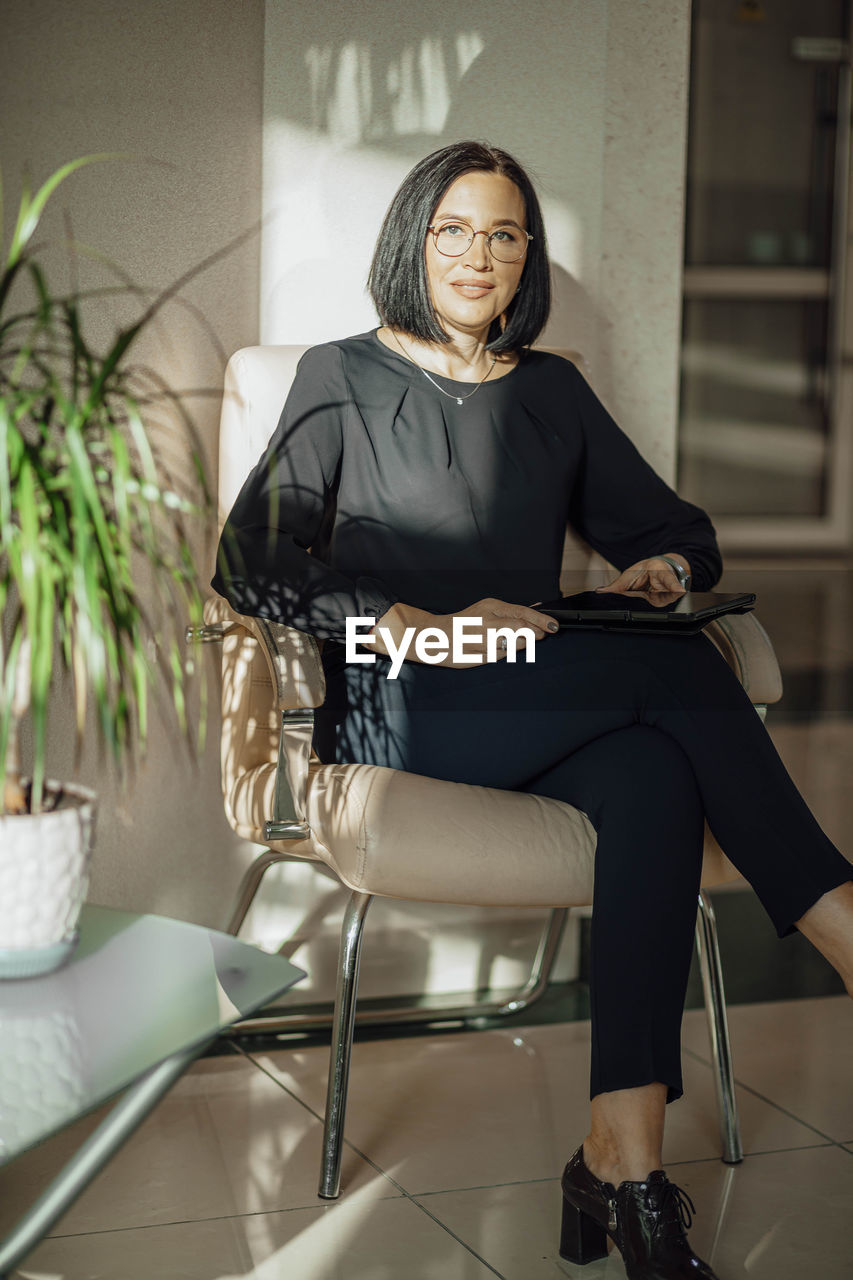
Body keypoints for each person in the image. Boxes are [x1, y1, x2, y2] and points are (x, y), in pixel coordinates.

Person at [213, 141, 853, 1280]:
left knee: (655, 768)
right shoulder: (339, 378)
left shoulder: (549, 388)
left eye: (504, 234)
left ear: (525, 260)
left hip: (536, 695)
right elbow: (250, 563)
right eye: (454, 229)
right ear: (413, 239)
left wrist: (658, 568)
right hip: (402, 705)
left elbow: (672, 525)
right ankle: (837, 915)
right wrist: (403, 615)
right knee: (676, 677)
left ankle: (626, 1167)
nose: (478, 255)